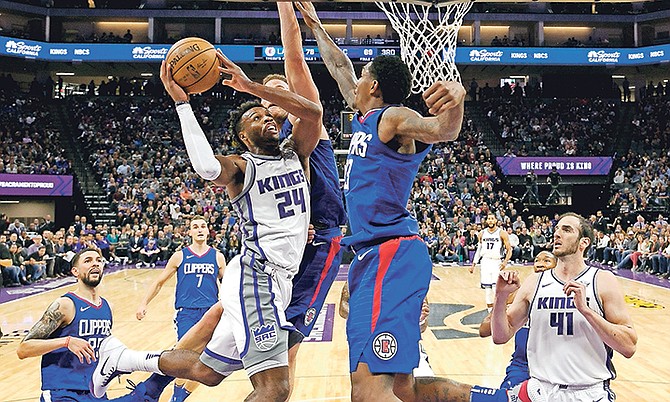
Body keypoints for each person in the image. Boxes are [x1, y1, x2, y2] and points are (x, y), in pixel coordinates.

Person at [295, 3, 522, 401]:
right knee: (403, 388)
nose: (357, 78)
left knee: (367, 391)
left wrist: (458, 101)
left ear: (375, 87)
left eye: (364, 75)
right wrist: (314, 24)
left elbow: (442, 130)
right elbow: (339, 67)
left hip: (391, 253)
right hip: (374, 256)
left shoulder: (393, 118)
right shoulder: (363, 115)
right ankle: (498, 398)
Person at [91, 49, 323, 402]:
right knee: (275, 388)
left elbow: (313, 112)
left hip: (279, 281)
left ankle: (122, 358)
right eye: (256, 118)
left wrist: (253, 88)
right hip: (256, 278)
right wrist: (183, 105)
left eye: (267, 114)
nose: (267, 118)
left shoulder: (296, 153)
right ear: (244, 137)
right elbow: (205, 167)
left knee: (207, 373)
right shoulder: (240, 167)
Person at [263, 3, 348, 395]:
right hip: (281, 247)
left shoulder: (308, 123)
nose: (276, 97)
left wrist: (284, 6)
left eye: (282, 89)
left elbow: (293, 56)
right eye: (268, 97)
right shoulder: (264, 147)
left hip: (321, 238)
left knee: (290, 343)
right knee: (270, 341)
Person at [491, 212, 637, 401]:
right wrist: (500, 298)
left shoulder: (602, 280)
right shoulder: (535, 282)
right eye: (557, 229)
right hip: (540, 391)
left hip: (589, 392)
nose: (557, 234)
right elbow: (500, 336)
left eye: (566, 230)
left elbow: (629, 346)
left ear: (583, 243)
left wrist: (586, 311)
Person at [15, 248, 155, 402]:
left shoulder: (108, 307)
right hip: (62, 392)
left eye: (98, 260)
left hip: (95, 391)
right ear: (75, 271)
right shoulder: (65, 305)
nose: (95, 264)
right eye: (88, 261)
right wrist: (66, 341)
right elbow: (23, 349)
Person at [135, 216, 225, 402]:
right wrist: (144, 303)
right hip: (187, 313)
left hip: (210, 313)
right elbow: (159, 282)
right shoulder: (180, 256)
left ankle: (178, 398)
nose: (199, 229)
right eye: (195, 227)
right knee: (184, 357)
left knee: (204, 361)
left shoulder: (217, 256)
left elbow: (229, 285)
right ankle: (167, 392)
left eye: (203, 226)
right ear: (189, 232)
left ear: (208, 231)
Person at [479, 251, 557, 390]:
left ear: (558, 265)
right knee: (506, 395)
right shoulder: (519, 294)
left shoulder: (565, 296)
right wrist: (501, 298)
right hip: (522, 365)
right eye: (537, 260)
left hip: (555, 366)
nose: (540, 264)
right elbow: (484, 330)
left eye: (546, 261)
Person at [470, 213, 513, 311]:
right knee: (488, 290)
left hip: (496, 262)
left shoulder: (502, 233)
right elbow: (479, 250)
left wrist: (505, 262)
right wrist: (473, 264)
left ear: (496, 221)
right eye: (488, 219)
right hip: (485, 262)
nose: (490, 220)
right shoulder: (481, 233)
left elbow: (509, 249)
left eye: (492, 219)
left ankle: (500, 310)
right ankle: (490, 313)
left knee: (496, 289)